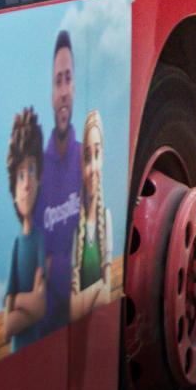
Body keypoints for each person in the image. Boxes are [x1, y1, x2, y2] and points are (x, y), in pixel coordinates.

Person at [35, 30, 83, 337]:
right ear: (51, 93)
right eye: (58, 81)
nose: (63, 91)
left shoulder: (87, 160)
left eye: (68, 79)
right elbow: (38, 268)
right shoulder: (37, 171)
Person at [3, 107, 47, 351]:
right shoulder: (18, 244)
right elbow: (5, 329)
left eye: (31, 171)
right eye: (20, 176)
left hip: (34, 344)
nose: (27, 183)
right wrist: (25, 301)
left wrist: (19, 303)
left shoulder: (39, 239)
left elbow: (41, 306)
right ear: (13, 193)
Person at [70, 109, 114, 320]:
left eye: (97, 155)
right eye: (87, 158)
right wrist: (96, 293)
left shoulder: (106, 220)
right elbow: (72, 308)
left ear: (103, 157)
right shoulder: (74, 226)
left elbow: (108, 295)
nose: (93, 168)